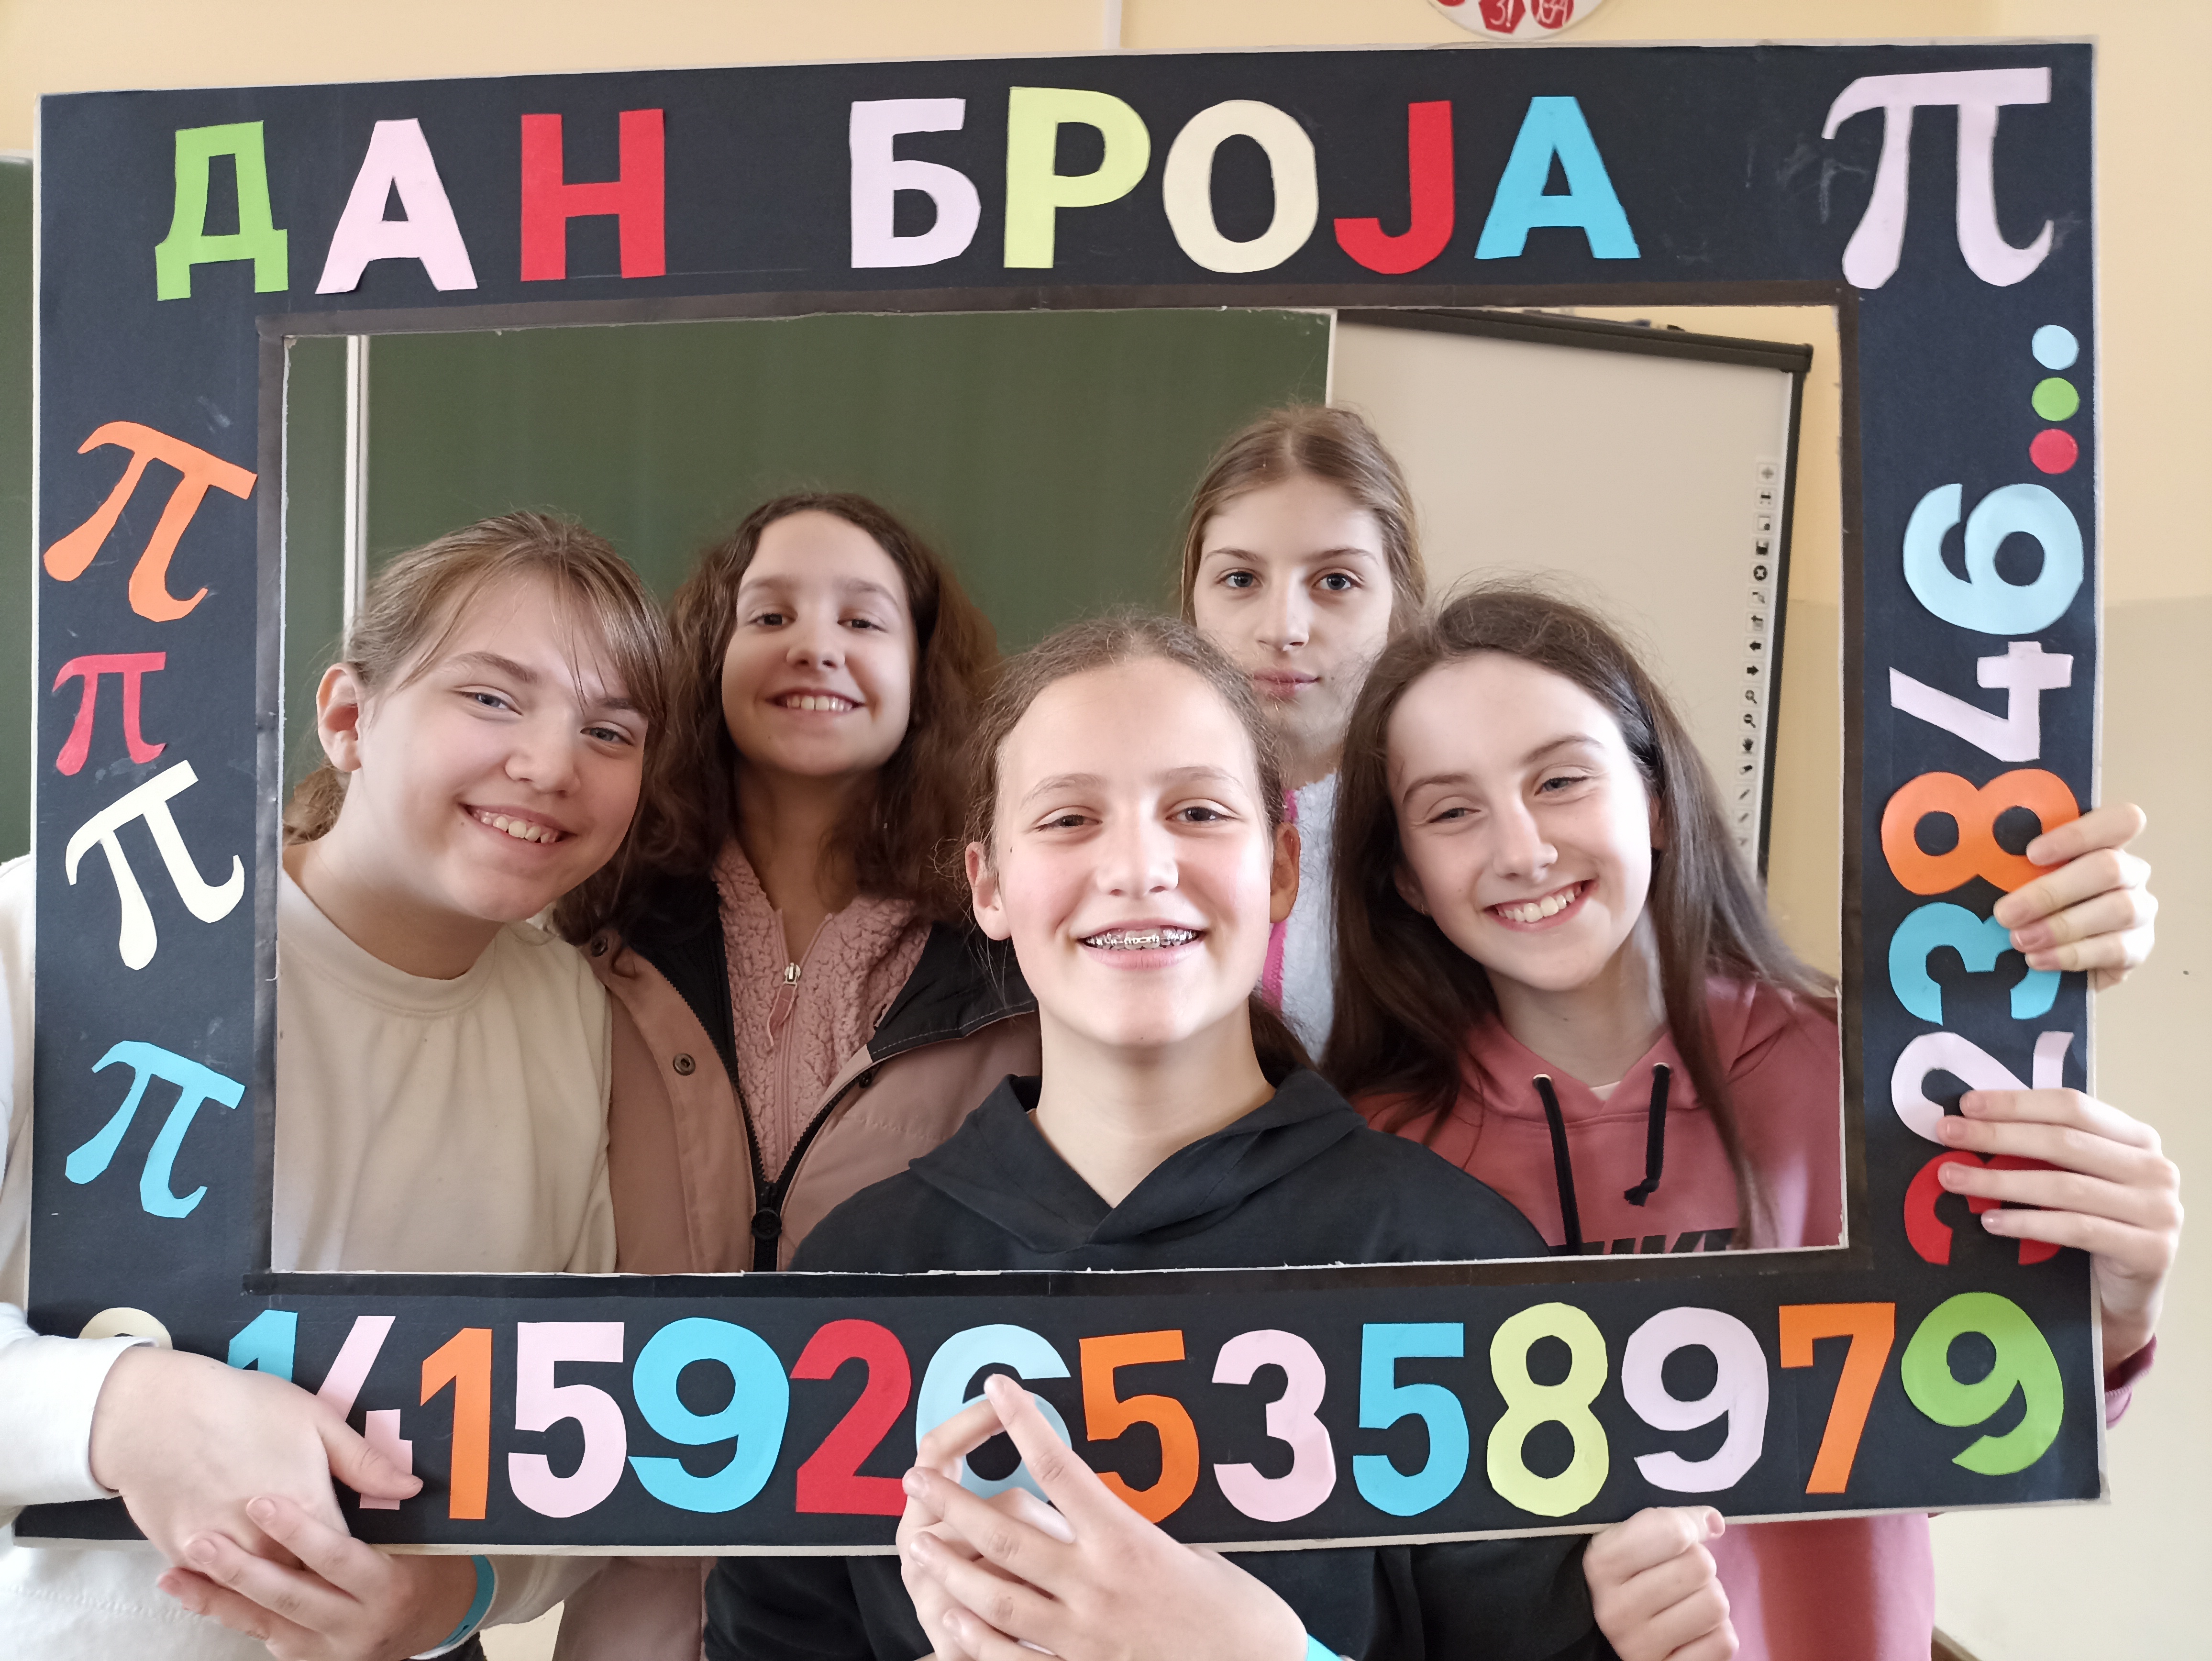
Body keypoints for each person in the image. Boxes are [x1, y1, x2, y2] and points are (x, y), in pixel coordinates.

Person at [707, 614, 1736, 1661]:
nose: (1138, 866)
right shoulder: (852, 1280)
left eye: (1196, 811)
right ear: (989, 886)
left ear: (1281, 868)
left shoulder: (1452, 1264)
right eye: (1068, 818)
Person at [1327, 582, 2182, 1661]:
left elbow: (1972, 1425)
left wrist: (2109, 1316)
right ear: (1405, 877)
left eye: (1560, 780)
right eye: (1450, 811)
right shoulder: (1371, 1162)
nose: (1522, 848)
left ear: (1656, 801)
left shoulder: (1877, 1078)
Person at [0, 513, 670, 1658]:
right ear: (350, 718)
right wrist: (121, 1406)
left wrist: (454, 1594)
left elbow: (575, 1426)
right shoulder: (54, 930)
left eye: (609, 730)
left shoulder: (575, 1011)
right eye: (492, 697)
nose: (553, 765)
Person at [548, 493, 1040, 1657]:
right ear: (707, 660)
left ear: (924, 671)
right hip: (636, 1564)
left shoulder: (1013, 959)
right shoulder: (589, 923)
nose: (814, 645)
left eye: (862, 620)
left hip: (911, 1582)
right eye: (769, 615)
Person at [1180, 406, 1421, 1055]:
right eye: (1240, 579)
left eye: (1336, 581)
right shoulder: (1128, 817)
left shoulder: (1447, 825)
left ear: (1398, 603)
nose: (1282, 629)